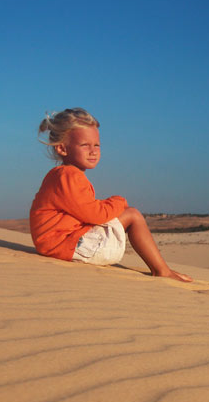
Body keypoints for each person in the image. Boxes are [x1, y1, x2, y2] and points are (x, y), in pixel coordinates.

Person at [30, 108, 191, 282]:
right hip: (67, 246)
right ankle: (162, 271)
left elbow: (84, 209)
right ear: (62, 148)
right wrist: (118, 202)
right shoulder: (68, 176)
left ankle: (162, 269)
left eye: (96, 145)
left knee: (124, 214)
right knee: (133, 215)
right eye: (85, 145)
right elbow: (95, 215)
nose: (93, 151)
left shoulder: (62, 175)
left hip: (58, 245)